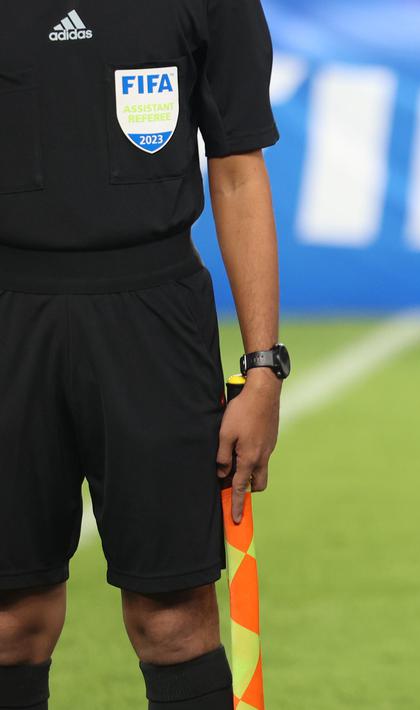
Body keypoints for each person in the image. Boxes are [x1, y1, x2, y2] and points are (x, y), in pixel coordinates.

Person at [0, 3, 287, 709]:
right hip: (8, 317)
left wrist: (262, 369)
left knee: (174, 620)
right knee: (10, 623)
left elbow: (238, 169)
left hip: (157, 322)